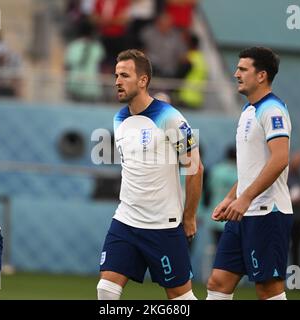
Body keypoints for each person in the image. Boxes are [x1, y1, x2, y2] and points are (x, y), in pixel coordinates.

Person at [97, 49, 203, 300]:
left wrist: (189, 217)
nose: (117, 81)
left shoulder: (170, 117)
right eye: (116, 75)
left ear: (143, 81)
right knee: (106, 291)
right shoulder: (118, 119)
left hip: (163, 225)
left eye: (124, 75)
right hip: (126, 220)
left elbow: (196, 167)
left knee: (181, 298)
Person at [207, 47, 293, 300]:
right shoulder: (247, 111)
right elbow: (251, 168)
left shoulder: (273, 110)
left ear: (261, 76)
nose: (236, 74)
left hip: (268, 213)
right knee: (218, 281)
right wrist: (233, 197)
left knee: (267, 289)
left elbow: (280, 160)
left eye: (243, 69)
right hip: (243, 212)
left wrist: (245, 199)